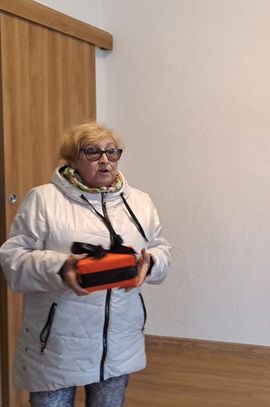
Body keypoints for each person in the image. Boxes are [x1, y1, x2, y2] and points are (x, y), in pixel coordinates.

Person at [0, 122, 171, 407]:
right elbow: (13, 259)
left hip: (119, 341)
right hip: (57, 344)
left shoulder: (140, 202)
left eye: (111, 152)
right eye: (92, 152)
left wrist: (151, 262)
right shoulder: (44, 199)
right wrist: (61, 267)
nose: (105, 160)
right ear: (73, 158)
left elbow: (161, 247)